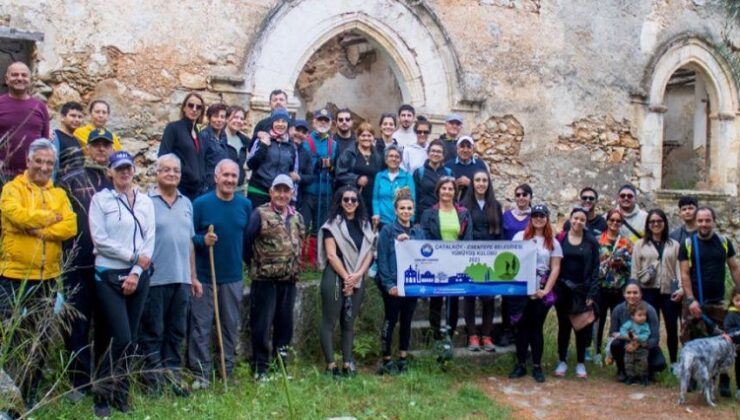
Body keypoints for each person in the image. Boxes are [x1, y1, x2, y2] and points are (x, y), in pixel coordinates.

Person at [0, 138, 76, 405]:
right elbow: (16, 215)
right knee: (11, 335)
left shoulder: (59, 195)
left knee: (40, 337)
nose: (44, 167)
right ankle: (8, 395)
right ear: (28, 161)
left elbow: (70, 226)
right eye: (39, 161)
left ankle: (28, 395)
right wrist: (49, 218)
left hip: (48, 277)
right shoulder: (11, 189)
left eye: (49, 163)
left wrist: (38, 228)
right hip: (13, 275)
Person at [89, 150, 155, 417]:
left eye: (128, 168)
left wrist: (137, 271)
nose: (124, 172)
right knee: (120, 337)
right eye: (119, 169)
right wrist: (131, 257)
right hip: (108, 274)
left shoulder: (145, 202)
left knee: (131, 338)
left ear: (134, 170)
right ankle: (101, 394)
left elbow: (150, 238)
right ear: (110, 172)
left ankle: (121, 393)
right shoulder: (100, 200)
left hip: (138, 275)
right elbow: (100, 239)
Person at [57, 129, 114, 401]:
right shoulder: (69, 180)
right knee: (78, 324)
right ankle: (78, 383)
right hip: (78, 263)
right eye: (97, 145)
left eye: (106, 146)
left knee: (105, 323)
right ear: (88, 148)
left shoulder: (116, 180)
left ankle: (102, 380)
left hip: (108, 265)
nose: (101, 150)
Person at [139, 154, 202, 396]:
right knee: (153, 331)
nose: (172, 174)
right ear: (157, 172)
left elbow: (189, 243)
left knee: (176, 331)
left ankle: (173, 375)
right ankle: (152, 380)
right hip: (155, 278)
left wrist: (194, 277)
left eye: (176, 170)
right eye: (166, 170)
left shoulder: (186, 203)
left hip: (182, 278)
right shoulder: (146, 202)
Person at [188, 159, 252, 387]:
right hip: (205, 277)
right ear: (216, 177)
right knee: (201, 327)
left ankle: (227, 370)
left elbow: (247, 240)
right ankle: (201, 374)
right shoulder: (201, 204)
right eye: (225, 175)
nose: (230, 180)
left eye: (234, 176)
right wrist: (202, 240)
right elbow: (189, 237)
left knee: (229, 326)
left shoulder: (245, 205)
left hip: (232, 277)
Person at [246, 174, 305, 380]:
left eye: (286, 190)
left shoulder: (297, 216)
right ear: (271, 192)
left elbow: (301, 242)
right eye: (278, 190)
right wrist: (256, 265)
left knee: (285, 326)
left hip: (288, 280)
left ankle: (280, 367)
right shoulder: (259, 214)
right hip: (264, 280)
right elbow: (247, 242)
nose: (282, 194)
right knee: (261, 326)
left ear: (292, 193)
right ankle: (260, 368)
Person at [679, 206, 740, 397]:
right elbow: (684, 274)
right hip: (695, 301)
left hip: (720, 302)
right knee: (691, 340)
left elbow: (734, 268)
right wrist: (690, 300)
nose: (704, 224)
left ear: (714, 221)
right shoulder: (688, 244)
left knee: (723, 342)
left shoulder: (723, 242)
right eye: (700, 220)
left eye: (707, 220)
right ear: (695, 222)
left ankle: (723, 380)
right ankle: (692, 378)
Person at [317, 186, 375, 377]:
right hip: (335, 276)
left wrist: (357, 275)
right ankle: (331, 364)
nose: (350, 203)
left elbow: (369, 253)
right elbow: (332, 255)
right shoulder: (331, 225)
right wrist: (346, 277)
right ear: (340, 202)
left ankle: (348, 362)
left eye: (353, 200)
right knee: (330, 320)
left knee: (349, 322)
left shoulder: (366, 225)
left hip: (357, 276)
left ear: (359, 203)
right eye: (346, 199)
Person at [508, 204, 562, 383]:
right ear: (530, 218)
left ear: (547, 218)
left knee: (536, 328)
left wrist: (546, 290)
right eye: (535, 215)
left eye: (542, 215)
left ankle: (537, 366)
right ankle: (521, 364)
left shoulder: (553, 242)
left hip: (541, 288)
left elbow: (555, 268)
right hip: (522, 288)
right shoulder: (519, 237)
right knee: (521, 327)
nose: (538, 218)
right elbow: (512, 261)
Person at [376, 188, 423, 374]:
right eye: (402, 208)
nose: (405, 211)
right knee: (390, 320)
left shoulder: (418, 231)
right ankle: (386, 359)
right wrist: (389, 285)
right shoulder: (387, 230)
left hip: (411, 286)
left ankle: (403, 358)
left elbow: (423, 255)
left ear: (413, 210)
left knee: (407, 322)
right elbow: (382, 259)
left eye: (409, 208)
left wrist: (410, 241)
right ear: (396, 210)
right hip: (394, 286)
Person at [421, 177, 472, 347]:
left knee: (454, 298)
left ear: (455, 193)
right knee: (436, 298)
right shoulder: (429, 213)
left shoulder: (463, 213)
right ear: (438, 191)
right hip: (436, 261)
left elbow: (468, 238)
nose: (447, 192)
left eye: (450, 189)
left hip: (456, 261)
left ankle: (450, 334)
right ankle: (435, 334)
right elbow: (425, 237)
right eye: (444, 188)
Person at [631, 209, 682, 365]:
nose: (656, 224)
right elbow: (635, 268)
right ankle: (651, 361)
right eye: (652, 222)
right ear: (648, 224)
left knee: (672, 327)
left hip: (669, 292)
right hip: (648, 291)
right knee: (651, 327)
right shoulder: (640, 244)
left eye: (659, 221)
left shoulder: (674, 245)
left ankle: (673, 362)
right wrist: (634, 291)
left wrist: (680, 288)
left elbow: (679, 268)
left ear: (665, 223)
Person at [554, 207, 599, 379]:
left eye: (582, 219)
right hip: (563, 290)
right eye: (575, 218)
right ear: (570, 219)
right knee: (563, 327)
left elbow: (595, 268)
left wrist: (592, 293)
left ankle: (581, 363)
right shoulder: (561, 238)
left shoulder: (591, 242)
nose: (578, 222)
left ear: (585, 222)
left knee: (581, 327)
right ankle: (562, 360)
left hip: (582, 290)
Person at [461, 170, 503, 352]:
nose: (481, 183)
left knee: (488, 297)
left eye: (484, 180)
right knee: (470, 296)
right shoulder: (463, 205)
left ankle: (486, 335)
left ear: (488, 183)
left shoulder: (496, 205)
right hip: (470, 256)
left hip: (490, 256)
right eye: (477, 180)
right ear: (472, 183)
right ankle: (472, 336)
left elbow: (499, 232)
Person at [593, 208, 633, 367]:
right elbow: (592, 263)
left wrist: (623, 263)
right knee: (598, 321)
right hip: (601, 288)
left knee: (617, 322)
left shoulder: (627, 242)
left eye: (618, 220)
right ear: (607, 221)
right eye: (612, 220)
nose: (615, 223)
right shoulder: (597, 240)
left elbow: (631, 266)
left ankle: (613, 353)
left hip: (619, 288)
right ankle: (596, 352)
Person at [0, 62, 50, 179]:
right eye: (15, 75)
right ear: (7, 79)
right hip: (2, 174)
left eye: (24, 75)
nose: (20, 78)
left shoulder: (40, 106)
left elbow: (44, 142)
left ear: (30, 79)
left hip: (32, 174)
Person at [609, 281, 666, 383]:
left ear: (641, 294)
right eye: (629, 292)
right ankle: (622, 370)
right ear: (624, 294)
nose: (632, 296)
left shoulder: (650, 310)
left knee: (659, 363)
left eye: (635, 292)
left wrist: (639, 343)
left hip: (644, 344)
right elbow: (613, 332)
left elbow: (655, 338)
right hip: (625, 344)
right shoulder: (618, 310)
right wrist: (628, 338)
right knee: (615, 344)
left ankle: (647, 372)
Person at [158, 92, 207, 201]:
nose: (194, 109)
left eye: (198, 107)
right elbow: (163, 155)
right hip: (180, 187)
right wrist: (186, 173)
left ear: (201, 111)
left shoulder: (198, 133)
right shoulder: (173, 128)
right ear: (184, 108)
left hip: (198, 190)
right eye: (191, 105)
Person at [247, 108, 298, 208]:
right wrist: (264, 146)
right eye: (277, 121)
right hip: (258, 190)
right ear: (272, 123)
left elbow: (291, 171)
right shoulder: (262, 139)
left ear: (287, 124)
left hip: (279, 194)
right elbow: (250, 164)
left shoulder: (291, 146)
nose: (280, 124)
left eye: (284, 121)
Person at [300, 108, 336, 235]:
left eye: (326, 121)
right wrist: (317, 164)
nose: (323, 123)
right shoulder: (306, 141)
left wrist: (331, 166)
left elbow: (336, 168)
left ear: (331, 123)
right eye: (320, 120)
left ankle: (319, 254)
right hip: (308, 192)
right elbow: (303, 164)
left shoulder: (334, 144)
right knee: (303, 227)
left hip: (327, 192)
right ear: (314, 122)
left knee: (321, 230)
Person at [335, 121, 383, 209]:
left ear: (373, 138)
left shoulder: (377, 156)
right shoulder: (349, 153)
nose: (366, 138)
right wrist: (356, 179)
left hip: (372, 199)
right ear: (358, 137)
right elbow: (339, 173)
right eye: (363, 135)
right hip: (353, 199)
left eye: (369, 136)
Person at [372, 145, 415, 229]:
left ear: (400, 160)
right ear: (386, 159)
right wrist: (376, 213)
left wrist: (411, 220)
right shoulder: (379, 176)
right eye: (390, 156)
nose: (394, 159)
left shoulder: (407, 177)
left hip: (402, 221)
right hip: (383, 221)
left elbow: (412, 200)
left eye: (397, 157)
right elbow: (375, 199)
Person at [412, 139, 452, 221]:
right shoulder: (419, 172)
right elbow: (415, 197)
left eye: (439, 152)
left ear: (443, 155)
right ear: (428, 153)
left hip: (444, 215)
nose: (435, 154)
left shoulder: (448, 173)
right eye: (433, 151)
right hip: (423, 215)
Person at [444, 135, 488, 200]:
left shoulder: (480, 165)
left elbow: (487, 187)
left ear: (473, 149)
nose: (465, 150)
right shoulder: (448, 165)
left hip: (474, 205)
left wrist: (471, 184)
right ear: (457, 148)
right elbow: (442, 188)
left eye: (468, 147)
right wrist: (454, 185)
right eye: (462, 146)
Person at [618, 302, 651, 385]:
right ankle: (630, 377)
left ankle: (643, 377)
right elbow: (622, 329)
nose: (643, 317)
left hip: (642, 348)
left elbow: (646, 335)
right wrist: (626, 335)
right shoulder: (629, 324)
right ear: (632, 316)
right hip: (629, 347)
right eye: (640, 315)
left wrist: (638, 337)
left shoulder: (645, 325)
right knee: (628, 362)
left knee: (643, 363)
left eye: (644, 315)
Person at [52, 101, 85, 177]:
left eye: (80, 117)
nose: (77, 119)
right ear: (62, 117)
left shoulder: (76, 140)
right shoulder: (54, 137)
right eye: (73, 116)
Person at [201, 103, 228, 191]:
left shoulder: (223, 136)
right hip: (208, 185)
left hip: (221, 184)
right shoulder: (204, 136)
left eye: (222, 117)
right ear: (209, 118)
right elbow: (200, 162)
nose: (219, 120)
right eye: (216, 116)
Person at [221, 106, 250, 187]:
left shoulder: (245, 141)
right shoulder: (219, 138)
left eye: (241, 118)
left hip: (239, 188)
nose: (238, 121)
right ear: (227, 119)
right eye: (235, 117)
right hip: (221, 187)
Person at [292, 119, 315, 207]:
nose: (300, 134)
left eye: (303, 132)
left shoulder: (306, 153)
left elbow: (310, 176)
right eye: (297, 130)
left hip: (296, 197)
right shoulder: (283, 147)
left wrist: (299, 177)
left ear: (307, 135)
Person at [723, 286, 740, 399]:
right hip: (736, 349)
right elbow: (728, 330)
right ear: (732, 300)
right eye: (738, 300)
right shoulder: (731, 315)